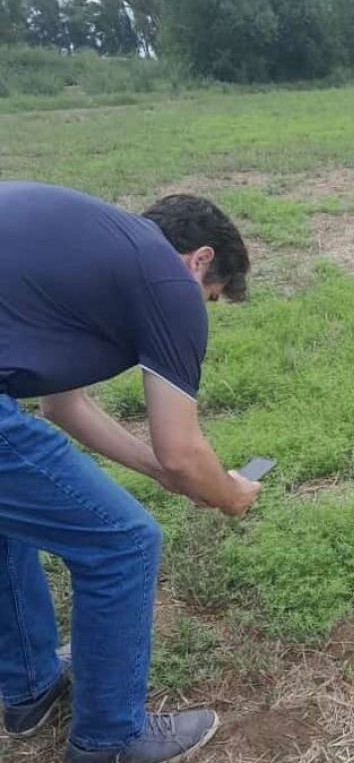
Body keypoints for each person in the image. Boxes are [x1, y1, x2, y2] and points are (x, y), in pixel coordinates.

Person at [0, 182, 262, 763]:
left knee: (6, 521)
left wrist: (166, 474)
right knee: (123, 542)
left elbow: (63, 406)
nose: (201, 308)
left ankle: (31, 687)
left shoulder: (85, 252)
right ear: (200, 260)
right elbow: (182, 452)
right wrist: (228, 495)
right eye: (211, 296)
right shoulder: (168, 281)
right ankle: (111, 742)